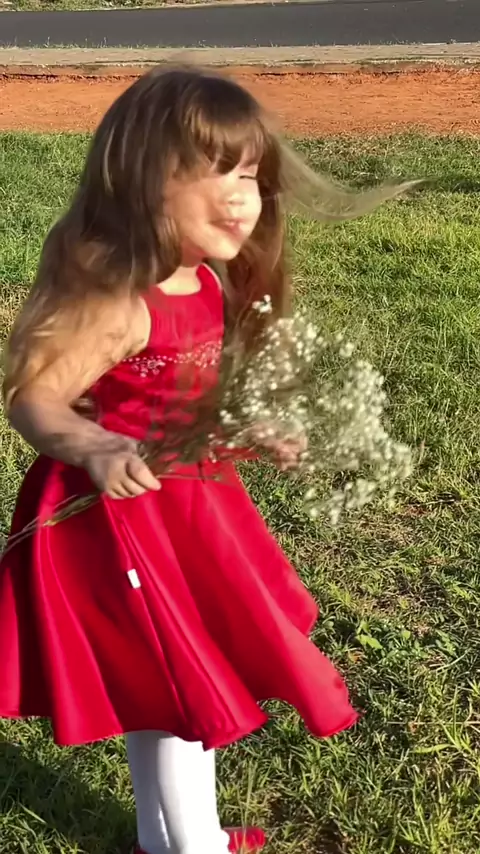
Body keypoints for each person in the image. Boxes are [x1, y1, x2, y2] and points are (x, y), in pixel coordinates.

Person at [0, 66, 411, 854]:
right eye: (210, 172)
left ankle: (169, 843)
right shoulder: (119, 301)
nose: (240, 196)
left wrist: (249, 429)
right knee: (179, 689)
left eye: (249, 174)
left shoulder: (204, 284)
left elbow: (189, 399)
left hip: (189, 510)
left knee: (167, 688)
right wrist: (94, 444)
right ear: (139, 179)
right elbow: (35, 399)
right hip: (119, 525)